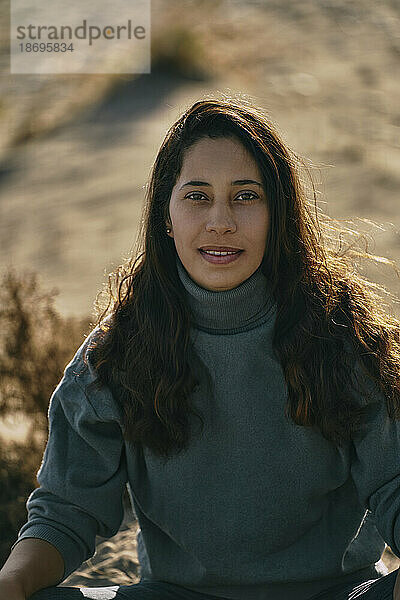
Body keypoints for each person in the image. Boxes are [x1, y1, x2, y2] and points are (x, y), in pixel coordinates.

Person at [1, 97, 400, 600]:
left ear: (279, 215)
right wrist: (12, 582)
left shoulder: (343, 337)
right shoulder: (117, 353)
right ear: (165, 215)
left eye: (246, 196)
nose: (221, 221)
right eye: (196, 196)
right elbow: (67, 510)